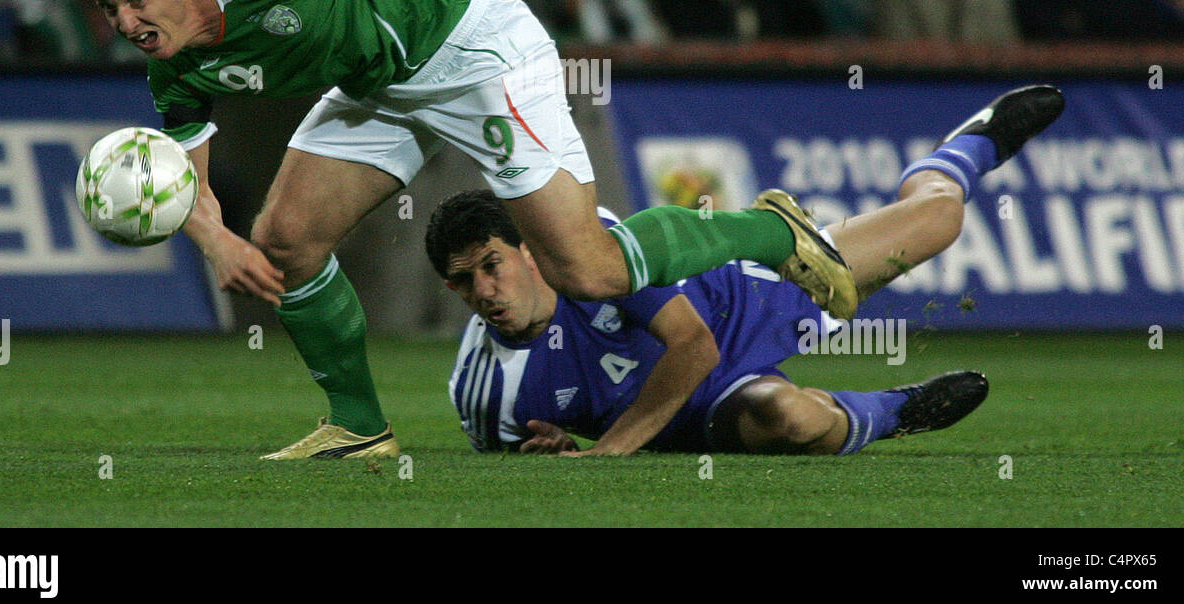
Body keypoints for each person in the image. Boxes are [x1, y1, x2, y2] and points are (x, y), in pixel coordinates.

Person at [76, 0, 856, 460]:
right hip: (379, 83)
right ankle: (358, 426)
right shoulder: (171, 60)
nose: (127, 21)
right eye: (108, 8)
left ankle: (773, 232)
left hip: (471, 44)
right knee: (286, 239)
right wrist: (215, 241)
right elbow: (189, 179)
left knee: (587, 270)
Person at [432, 86, 1064, 455]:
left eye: (491, 265)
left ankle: (968, 147)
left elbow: (692, 344)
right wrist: (561, 449)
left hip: (751, 295)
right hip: (701, 407)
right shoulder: (485, 393)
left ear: (530, 250)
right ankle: (900, 412)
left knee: (939, 219)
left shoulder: (587, 252)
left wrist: (604, 454)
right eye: (463, 281)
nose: (484, 292)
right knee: (795, 422)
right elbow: (527, 454)